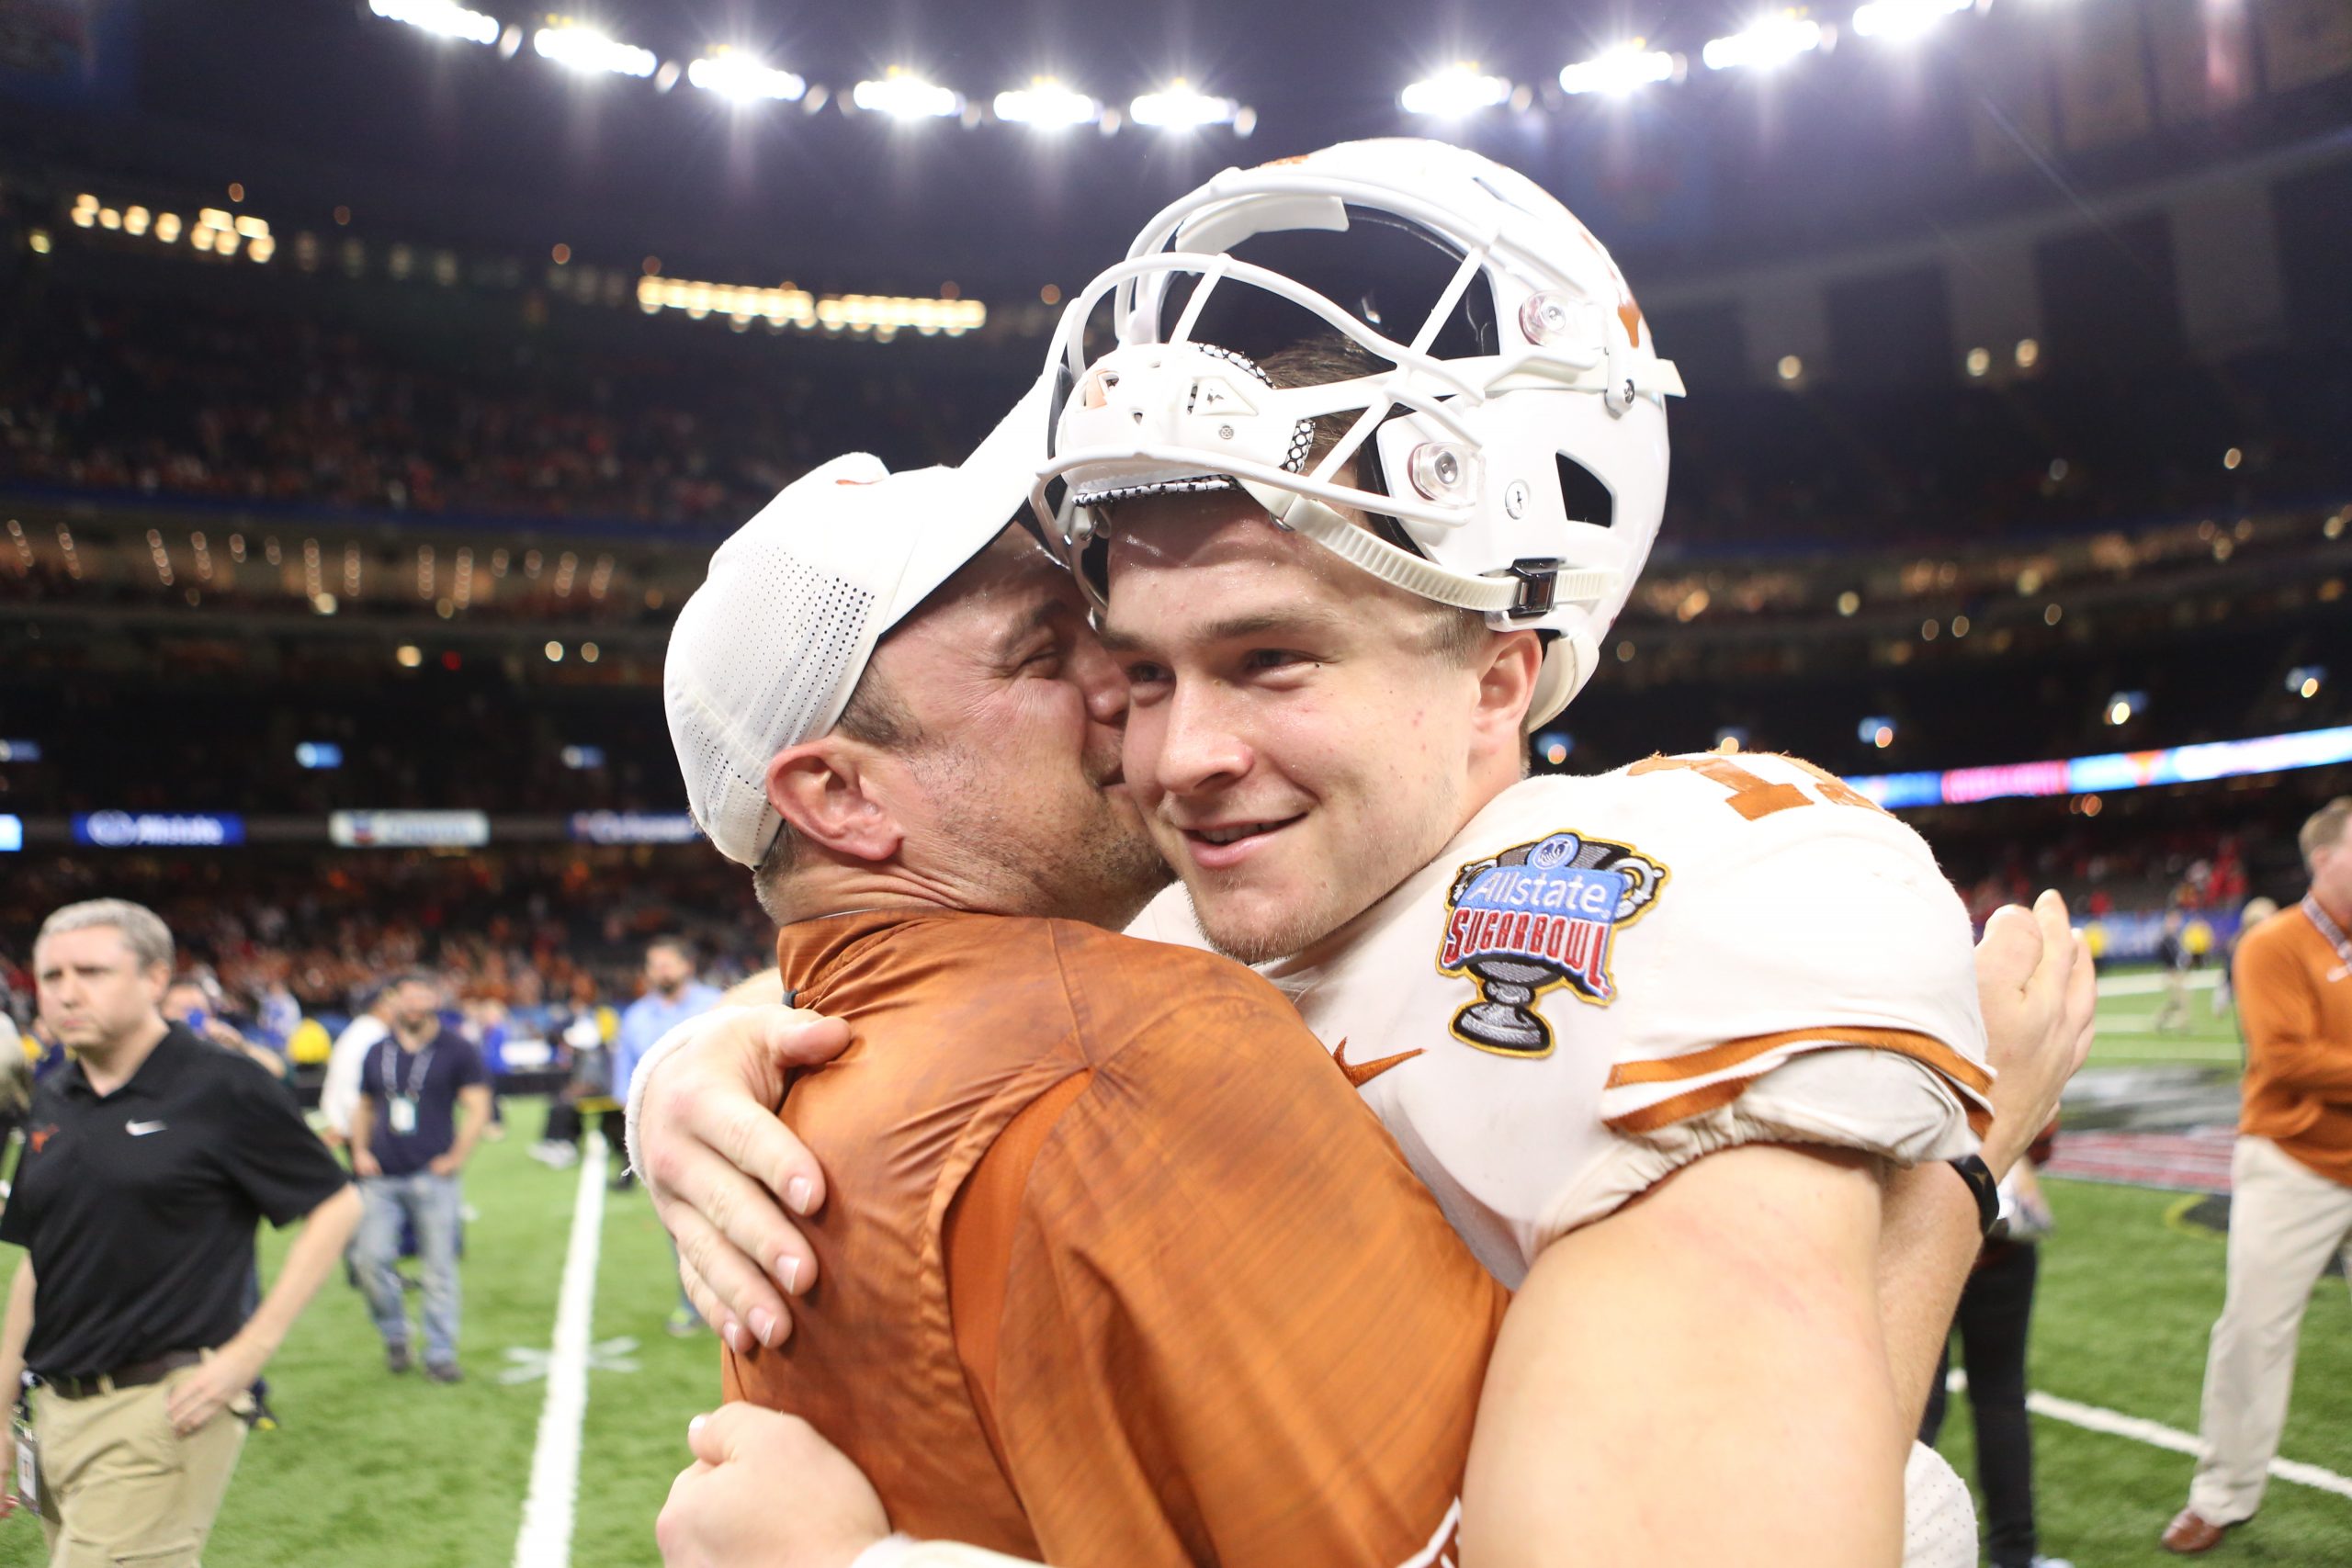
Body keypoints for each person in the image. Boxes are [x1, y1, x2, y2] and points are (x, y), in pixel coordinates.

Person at [639, 141, 2094, 1567]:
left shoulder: (1700, 897)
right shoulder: (1157, 950)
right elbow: (966, 988)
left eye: (1269, 658)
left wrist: (1948, 1185)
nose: (1174, 749)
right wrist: (717, 1044)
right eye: (1137, 671)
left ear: (1495, 677)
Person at [650, 410, 1504, 1564]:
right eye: (1045, 655)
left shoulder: (802, 1096)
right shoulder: (1140, 1051)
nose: (1136, 685)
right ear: (844, 800)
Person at [0, 899, 359, 1562]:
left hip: (161, 1406)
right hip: (55, 1408)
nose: (66, 993)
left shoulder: (223, 1085)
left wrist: (249, 1354)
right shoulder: (56, 1091)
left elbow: (336, 1203)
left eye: (92, 971)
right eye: (50, 977)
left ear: (156, 978)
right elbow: (38, 1257)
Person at [2163, 796, 2352, 1553]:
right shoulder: (2273, 942)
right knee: (2253, 1330)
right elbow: (2288, 1059)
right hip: (2292, 1160)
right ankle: (2223, 1492)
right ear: (2325, 857)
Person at [1920, 1122, 2066, 1568]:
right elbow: (2042, 1128)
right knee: (1999, 1397)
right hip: (1995, 1236)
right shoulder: (2010, 1054)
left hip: (1921, 1237)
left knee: (1918, 1406)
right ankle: (2015, 1554)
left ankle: (1891, 1545)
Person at [347, 970, 491, 1382]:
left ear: (435, 998)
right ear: (393, 1000)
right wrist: (359, 1150)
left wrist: (457, 1156)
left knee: (438, 1269)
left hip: (433, 1175)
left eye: (421, 995)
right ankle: (395, 1333)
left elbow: (478, 1106)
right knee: (370, 1262)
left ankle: (440, 1353)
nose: (413, 1004)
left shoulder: (456, 1048)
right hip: (381, 1176)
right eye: (405, 996)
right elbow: (365, 1104)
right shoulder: (377, 1050)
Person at [612, 939, 724, 1333]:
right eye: (654, 964)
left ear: (687, 966)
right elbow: (625, 1084)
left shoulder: (719, 1003)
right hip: (666, 1137)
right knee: (680, 1226)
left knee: (730, 1216)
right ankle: (691, 1303)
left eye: (668, 963)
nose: (661, 970)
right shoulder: (636, 1018)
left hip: (718, 1129)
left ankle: (739, 1302)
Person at [320, 981, 396, 1146]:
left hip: (350, 1117)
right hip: (358, 1120)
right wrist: (346, 1125)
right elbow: (350, 1082)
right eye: (392, 1004)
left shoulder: (364, 1029)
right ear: (379, 1006)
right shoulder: (370, 1034)